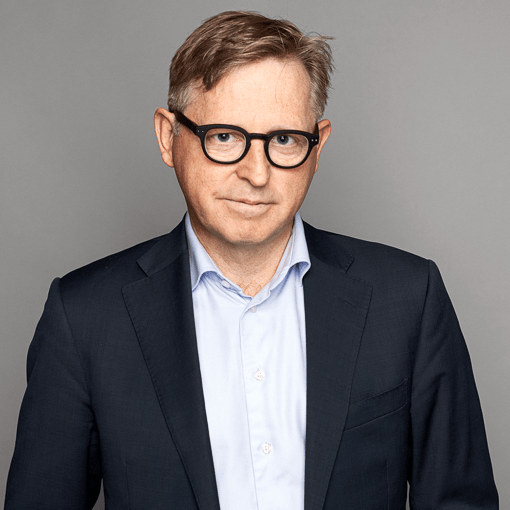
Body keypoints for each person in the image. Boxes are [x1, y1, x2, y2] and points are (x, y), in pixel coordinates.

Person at [5, 10, 498, 510]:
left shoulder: (408, 299)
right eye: (224, 136)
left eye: (284, 139)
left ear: (318, 146)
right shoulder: (84, 317)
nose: (256, 174)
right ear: (168, 137)